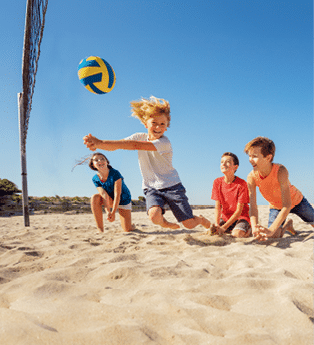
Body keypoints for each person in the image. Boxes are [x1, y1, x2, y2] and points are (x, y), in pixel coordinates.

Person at [83, 96, 211, 230]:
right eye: (154, 123)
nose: (158, 127)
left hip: (172, 186)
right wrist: (97, 145)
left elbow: (134, 146)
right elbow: (119, 145)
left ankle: (201, 220)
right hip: (151, 187)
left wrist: (101, 143)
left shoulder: (164, 143)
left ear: (167, 127)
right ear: (146, 124)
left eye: (162, 124)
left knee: (189, 224)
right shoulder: (139, 136)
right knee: (154, 216)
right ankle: (164, 223)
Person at [244, 136, 314, 241]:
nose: (250, 160)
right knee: (273, 236)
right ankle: (287, 225)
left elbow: (287, 205)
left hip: (296, 201)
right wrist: (254, 227)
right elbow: (253, 206)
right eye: (249, 156)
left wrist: (271, 229)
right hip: (276, 206)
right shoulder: (251, 177)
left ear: (268, 158)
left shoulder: (280, 171)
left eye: (254, 156)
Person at [88, 152, 134, 232]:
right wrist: (108, 212)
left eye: (102, 158)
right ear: (93, 165)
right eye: (96, 160)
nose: (100, 161)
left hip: (123, 200)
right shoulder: (95, 178)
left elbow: (117, 195)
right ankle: (100, 230)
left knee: (127, 229)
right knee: (94, 198)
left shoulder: (115, 173)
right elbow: (104, 195)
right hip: (110, 200)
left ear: (107, 162)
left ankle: (131, 226)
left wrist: (113, 213)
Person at [211, 152, 251, 237]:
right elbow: (218, 207)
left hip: (241, 218)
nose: (223, 164)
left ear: (235, 167)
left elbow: (239, 211)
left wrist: (224, 228)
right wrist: (217, 224)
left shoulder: (242, 184)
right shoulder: (217, 182)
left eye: (227, 162)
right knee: (214, 231)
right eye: (222, 162)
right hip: (226, 218)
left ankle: (248, 229)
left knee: (237, 234)